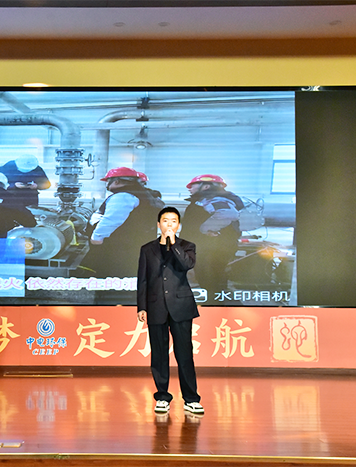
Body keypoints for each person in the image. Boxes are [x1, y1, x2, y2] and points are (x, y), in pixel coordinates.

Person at [138, 206, 203, 416]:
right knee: (158, 354)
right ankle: (162, 397)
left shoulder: (187, 246)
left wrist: (173, 243)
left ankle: (191, 399)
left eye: (173, 221)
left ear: (178, 225)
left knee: (184, 354)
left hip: (181, 307)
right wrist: (142, 306)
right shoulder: (147, 249)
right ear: (159, 224)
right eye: (165, 221)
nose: (169, 224)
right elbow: (143, 280)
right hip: (155, 306)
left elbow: (186, 265)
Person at [79, 167, 165, 284]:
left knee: (113, 278)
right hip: (133, 246)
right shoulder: (144, 195)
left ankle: (111, 295)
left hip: (118, 248)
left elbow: (111, 220)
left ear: (117, 181)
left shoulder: (123, 196)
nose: (107, 185)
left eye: (108, 181)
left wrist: (97, 237)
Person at [180, 174, 244, 303]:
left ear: (206, 186)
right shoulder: (209, 198)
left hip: (211, 249)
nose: (189, 189)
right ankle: (216, 301)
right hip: (211, 248)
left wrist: (207, 229)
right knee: (214, 277)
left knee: (210, 279)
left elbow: (227, 213)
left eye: (193, 186)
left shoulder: (213, 199)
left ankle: (214, 304)